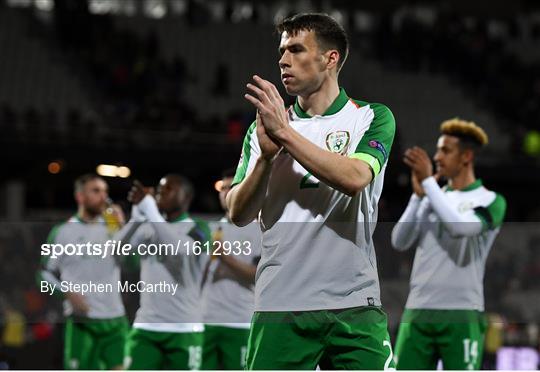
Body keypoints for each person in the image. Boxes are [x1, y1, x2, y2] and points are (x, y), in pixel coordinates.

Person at [227, 13, 396, 370]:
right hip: (281, 304)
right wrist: (265, 160)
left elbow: (354, 177)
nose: (283, 60)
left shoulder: (371, 117)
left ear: (330, 58)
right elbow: (237, 213)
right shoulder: (263, 132)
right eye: (281, 52)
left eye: (295, 49)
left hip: (354, 304)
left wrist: (285, 135)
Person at [391, 118, 507, 370]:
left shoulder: (490, 200)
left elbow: (460, 227)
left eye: (445, 150)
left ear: (466, 156)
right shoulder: (434, 196)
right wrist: (417, 196)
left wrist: (429, 185)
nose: (437, 157)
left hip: (462, 312)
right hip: (418, 309)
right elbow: (399, 241)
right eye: (437, 150)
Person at [39, 174, 128, 370]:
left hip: (115, 320)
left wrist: (125, 230)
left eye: (105, 191)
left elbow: (134, 264)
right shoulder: (63, 232)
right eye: (96, 191)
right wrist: (66, 293)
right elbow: (44, 274)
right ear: (80, 197)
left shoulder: (114, 229)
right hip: (82, 322)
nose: (103, 196)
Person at [122, 174, 211, 370]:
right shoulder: (148, 227)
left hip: (184, 328)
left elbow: (179, 250)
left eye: (169, 189)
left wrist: (151, 210)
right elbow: (116, 254)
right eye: (160, 188)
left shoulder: (198, 228)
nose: (161, 192)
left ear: (186, 197)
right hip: (147, 326)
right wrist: (136, 220)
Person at [201, 168, 261, 370]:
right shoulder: (210, 229)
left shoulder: (258, 229)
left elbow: (259, 276)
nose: (225, 192)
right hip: (207, 319)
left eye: (231, 187)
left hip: (240, 320)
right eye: (222, 188)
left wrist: (226, 258)